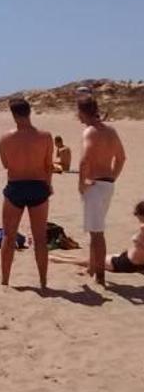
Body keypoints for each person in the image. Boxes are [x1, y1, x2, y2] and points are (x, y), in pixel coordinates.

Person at [0, 98, 53, 288]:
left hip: (15, 186)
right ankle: (43, 282)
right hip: (38, 186)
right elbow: (48, 165)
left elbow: (6, 164)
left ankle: (5, 280)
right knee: (40, 238)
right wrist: (49, 186)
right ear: (30, 112)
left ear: (13, 115)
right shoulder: (45, 136)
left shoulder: (6, 138)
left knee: (9, 235)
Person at [77, 96, 126, 285]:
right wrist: (112, 177)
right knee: (94, 229)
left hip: (95, 184)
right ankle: (92, 267)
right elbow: (121, 158)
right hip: (107, 184)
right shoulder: (111, 131)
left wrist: (81, 183)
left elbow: (85, 160)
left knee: (97, 233)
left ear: (82, 112)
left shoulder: (90, 132)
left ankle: (100, 276)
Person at [51, 201, 144, 274]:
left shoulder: (143, 227)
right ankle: (61, 257)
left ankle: (59, 259)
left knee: (92, 261)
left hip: (126, 263)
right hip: (131, 259)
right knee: (93, 259)